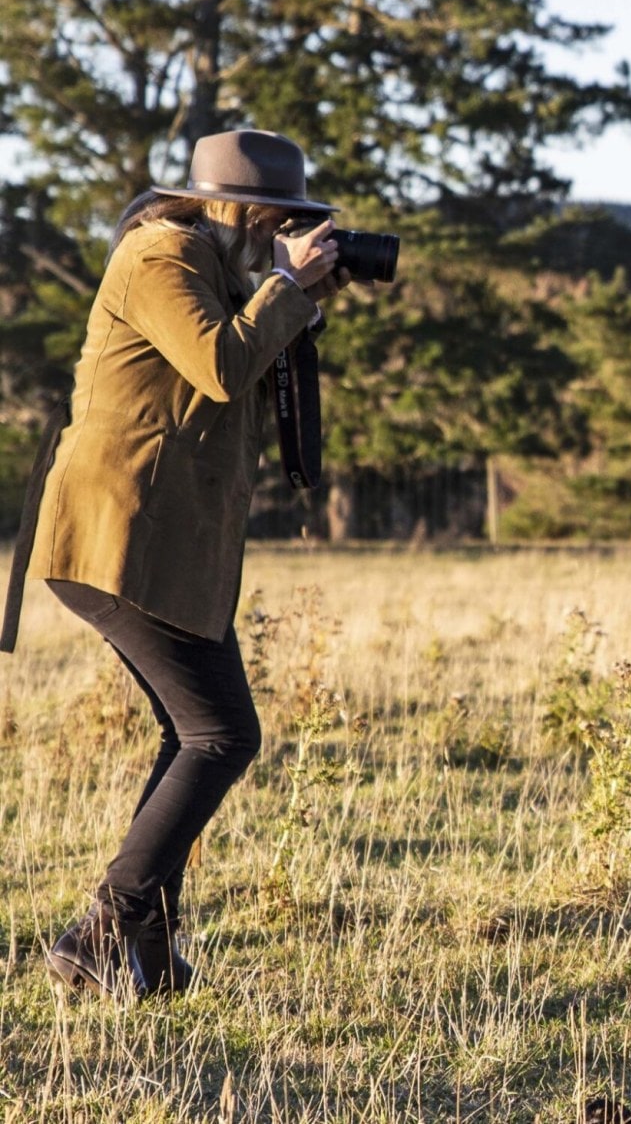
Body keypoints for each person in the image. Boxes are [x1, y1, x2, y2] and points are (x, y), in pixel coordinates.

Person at [18, 129, 355, 998]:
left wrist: (295, 301)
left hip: (163, 545)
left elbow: (243, 375)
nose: (288, 231)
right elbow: (216, 363)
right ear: (238, 209)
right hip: (115, 535)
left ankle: (148, 957)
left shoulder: (218, 268)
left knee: (193, 734)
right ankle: (107, 921)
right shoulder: (157, 254)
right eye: (282, 218)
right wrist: (285, 287)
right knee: (222, 733)